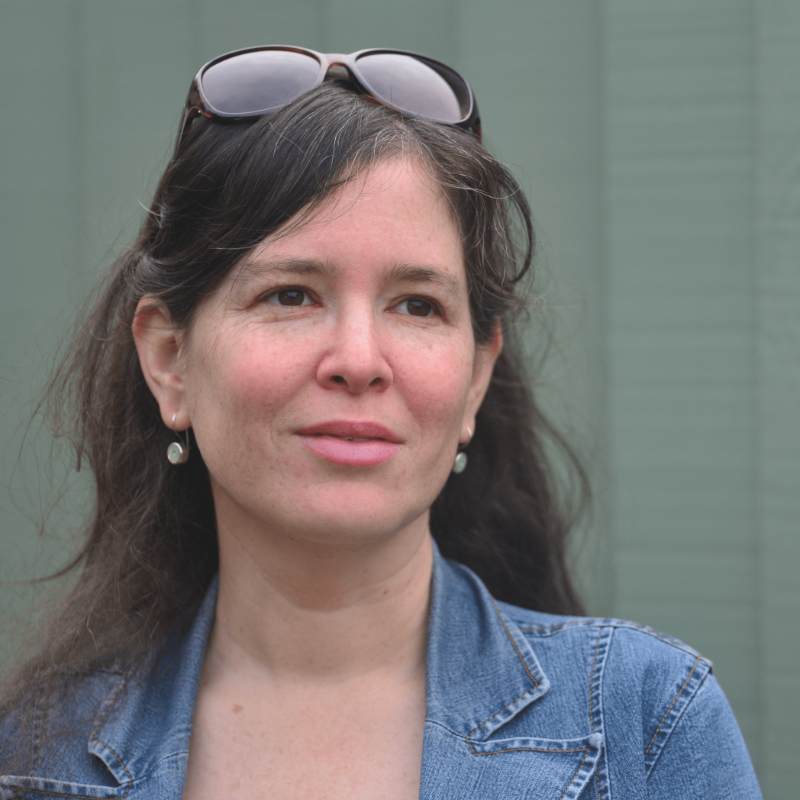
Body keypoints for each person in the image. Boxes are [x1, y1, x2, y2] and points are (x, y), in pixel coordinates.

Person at [0, 47, 760, 799]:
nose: (359, 360)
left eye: (416, 305)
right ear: (170, 360)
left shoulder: (646, 729)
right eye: (291, 295)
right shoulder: (35, 755)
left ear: (475, 380)